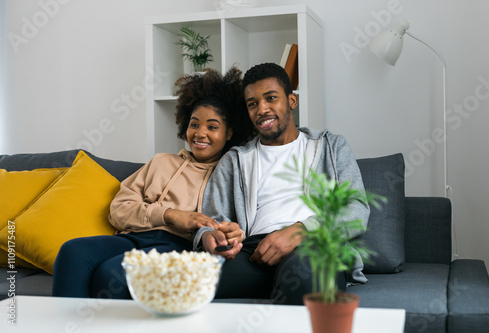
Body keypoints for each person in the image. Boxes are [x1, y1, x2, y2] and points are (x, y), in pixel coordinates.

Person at [52, 67, 255, 298]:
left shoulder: (228, 173)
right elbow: (118, 211)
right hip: (132, 236)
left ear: (229, 133)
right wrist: (170, 215)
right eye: (194, 124)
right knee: (72, 251)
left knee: (113, 273)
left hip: (178, 246)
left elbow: (232, 226)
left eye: (212, 126)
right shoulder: (161, 162)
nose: (200, 133)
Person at [194, 62, 370, 305]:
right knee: (186, 281)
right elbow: (210, 219)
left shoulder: (331, 146)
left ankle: (283, 285)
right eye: (252, 104)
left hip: (312, 246)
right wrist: (210, 235)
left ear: (292, 101)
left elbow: (357, 210)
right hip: (253, 252)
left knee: (305, 278)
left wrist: (301, 230)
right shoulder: (235, 159)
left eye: (271, 98)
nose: (261, 109)